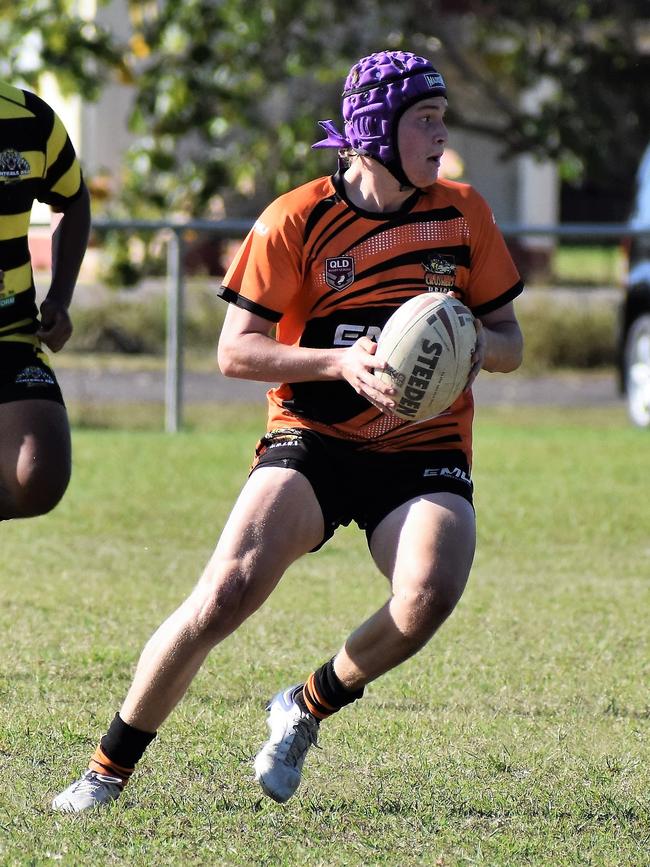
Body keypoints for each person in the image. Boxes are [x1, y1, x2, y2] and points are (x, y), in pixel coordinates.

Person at [52, 49, 523, 813]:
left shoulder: (463, 214)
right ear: (377, 130)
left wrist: (469, 337)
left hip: (423, 447)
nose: (443, 135)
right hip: (313, 436)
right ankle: (106, 770)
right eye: (426, 120)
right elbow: (235, 351)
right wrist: (338, 364)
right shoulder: (297, 218)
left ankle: (306, 704)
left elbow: (511, 342)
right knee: (225, 592)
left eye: (443, 118)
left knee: (429, 593)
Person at [0, 81, 91, 521]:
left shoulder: (30, 119)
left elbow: (71, 199)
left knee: (38, 476)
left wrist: (60, 296)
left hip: (12, 332)